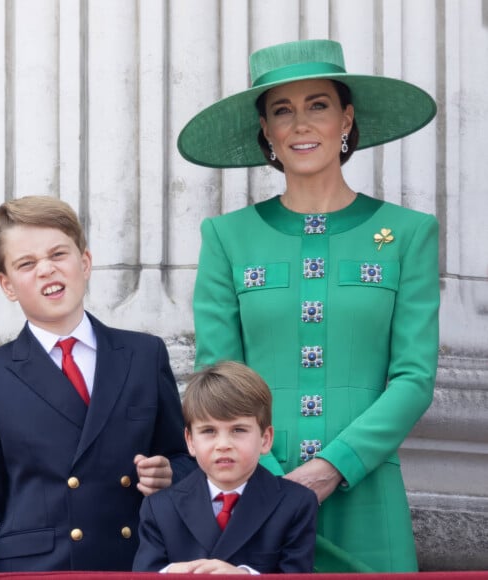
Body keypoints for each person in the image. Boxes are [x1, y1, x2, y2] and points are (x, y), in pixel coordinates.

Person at [178, 39, 440, 572]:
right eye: (282, 110)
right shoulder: (227, 237)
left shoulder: (409, 234)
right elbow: (219, 378)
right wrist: (269, 475)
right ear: (266, 132)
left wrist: (331, 467)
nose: (300, 124)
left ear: (345, 118)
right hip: (258, 495)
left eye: (317, 105)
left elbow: (413, 376)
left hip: (366, 495)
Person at [0, 195, 194, 573]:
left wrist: (172, 472)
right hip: (39, 569)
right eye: (26, 263)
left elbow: (187, 457)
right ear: (7, 285)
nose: (46, 269)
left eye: (58, 254)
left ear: (85, 262)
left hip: (135, 560)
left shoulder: (144, 355)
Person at [132, 360, 318, 574]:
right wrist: (170, 574)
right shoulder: (160, 508)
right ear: (190, 441)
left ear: (266, 439)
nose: (223, 445)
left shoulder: (296, 504)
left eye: (238, 430)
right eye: (209, 431)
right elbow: (145, 572)